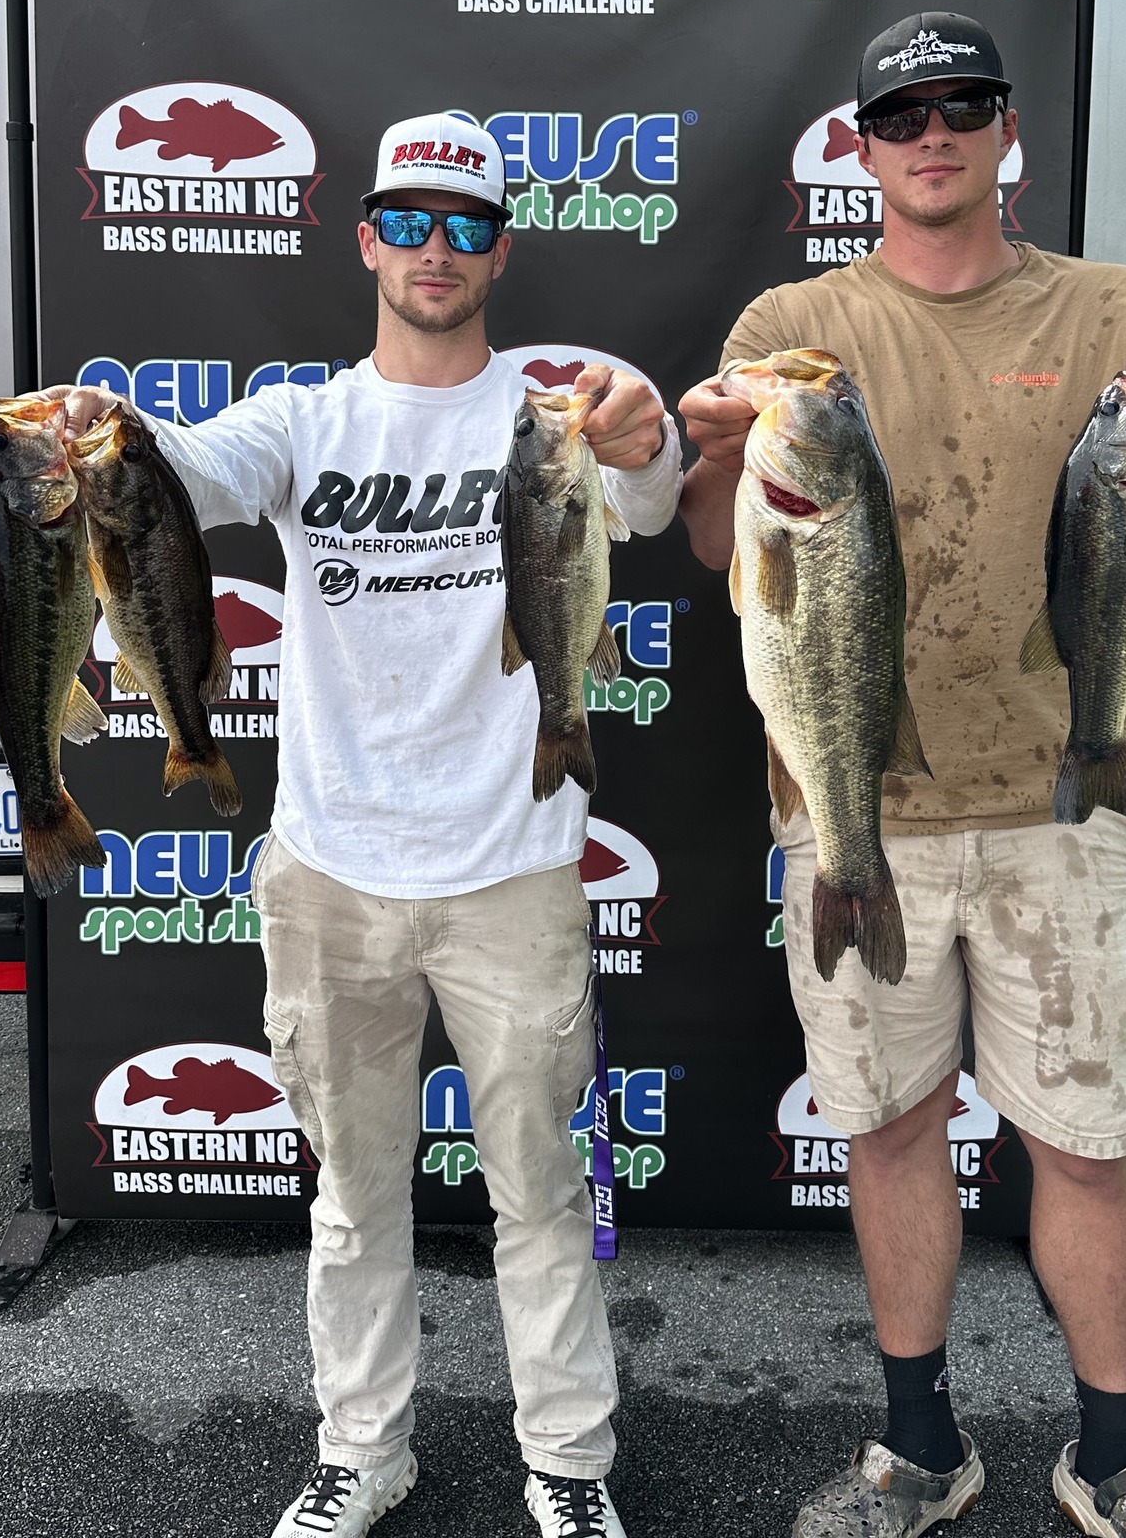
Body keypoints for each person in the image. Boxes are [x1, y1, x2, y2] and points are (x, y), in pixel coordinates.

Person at [678, 13, 1126, 1538]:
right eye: (902, 113)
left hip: (1058, 814)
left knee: (1084, 1145)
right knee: (890, 1131)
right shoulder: (795, 323)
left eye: (963, 105)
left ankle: (1118, 1454)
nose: (932, 132)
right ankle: (916, 1445)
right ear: (862, 147)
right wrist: (713, 455)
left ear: (1010, 129)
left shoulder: (1119, 311)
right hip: (850, 808)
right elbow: (709, 545)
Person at [44, 111, 681, 1538]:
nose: (435, 247)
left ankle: (570, 1466)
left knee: (542, 1191)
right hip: (331, 870)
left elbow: (646, 493)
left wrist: (642, 439)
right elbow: (175, 475)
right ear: (367, 241)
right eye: (410, 220)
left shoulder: (555, 404)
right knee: (352, 1195)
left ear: (500, 253)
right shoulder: (302, 422)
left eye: (466, 224)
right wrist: (97, 435)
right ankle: (363, 1449)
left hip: (515, 866)